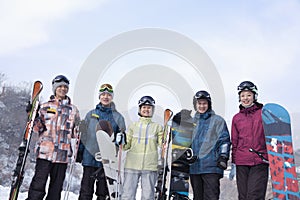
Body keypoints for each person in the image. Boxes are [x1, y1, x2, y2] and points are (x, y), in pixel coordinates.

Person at [26, 75, 80, 200]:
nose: (62, 89)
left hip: (62, 155)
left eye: (65, 87)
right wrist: (31, 114)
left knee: (56, 189)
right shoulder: (45, 107)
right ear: (54, 88)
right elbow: (37, 128)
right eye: (60, 86)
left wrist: (81, 131)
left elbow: (76, 132)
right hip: (45, 153)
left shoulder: (73, 110)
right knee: (38, 186)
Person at [77, 83, 126, 200]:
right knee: (85, 192)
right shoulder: (90, 114)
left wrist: (122, 138)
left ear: (112, 97)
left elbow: (122, 140)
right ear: (99, 96)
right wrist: (80, 152)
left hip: (108, 162)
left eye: (108, 95)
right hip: (90, 157)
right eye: (103, 94)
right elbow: (84, 135)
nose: (105, 97)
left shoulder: (118, 117)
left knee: (102, 193)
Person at [117, 96, 163, 200]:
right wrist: (121, 141)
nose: (146, 110)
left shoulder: (157, 127)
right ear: (140, 109)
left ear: (152, 110)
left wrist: (166, 138)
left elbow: (161, 144)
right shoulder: (132, 126)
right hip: (132, 164)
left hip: (150, 166)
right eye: (144, 107)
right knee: (127, 194)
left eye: (149, 107)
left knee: (148, 196)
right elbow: (126, 146)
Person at [189, 90, 231, 200]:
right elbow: (186, 143)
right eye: (199, 103)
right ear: (195, 105)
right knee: (197, 197)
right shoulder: (190, 123)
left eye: (204, 103)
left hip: (211, 167)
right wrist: (186, 155)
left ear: (209, 104)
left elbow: (224, 140)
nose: (202, 106)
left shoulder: (218, 121)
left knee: (211, 196)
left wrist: (223, 157)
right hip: (195, 167)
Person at [231, 81, 269, 200]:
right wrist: (234, 162)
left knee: (254, 195)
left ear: (254, 96)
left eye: (248, 95)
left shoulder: (264, 114)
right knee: (243, 196)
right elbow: (235, 141)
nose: (245, 98)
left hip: (260, 160)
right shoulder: (237, 118)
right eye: (242, 95)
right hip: (242, 162)